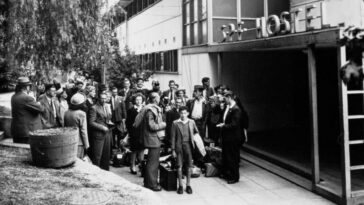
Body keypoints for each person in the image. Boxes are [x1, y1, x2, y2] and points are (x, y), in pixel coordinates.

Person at [136, 92, 166, 191]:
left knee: (151, 162)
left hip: (152, 138)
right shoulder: (150, 110)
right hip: (152, 139)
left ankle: (148, 182)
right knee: (153, 163)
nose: (159, 99)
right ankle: (152, 185)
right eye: (158, 97)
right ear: (155, 99)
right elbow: (152, 126)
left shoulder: (150, 108)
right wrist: (163, 125)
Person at [216, 91, 248, 184]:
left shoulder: (236, 109)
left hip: (233, 138)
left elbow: (234, 124)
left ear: (229, 97)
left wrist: (223, 126)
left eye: (225, 98)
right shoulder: (228, 107)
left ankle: (234, 177)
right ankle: (227, 174)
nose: (224, 100)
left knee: (232, 158)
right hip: (227, 137)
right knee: (226, 156)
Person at [171, 106, 198, 194]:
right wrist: (173, 150)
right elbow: (173, 137)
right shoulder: (175, 123)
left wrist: (196, 142)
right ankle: (180, 186)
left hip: (188, 146)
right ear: (179, 113)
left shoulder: (191, 122)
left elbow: (196, 132)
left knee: (189, 166)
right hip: (179, 147)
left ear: (188, 113)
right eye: (181, 113)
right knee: (179, 166)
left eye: (185, 113)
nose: (183, 115)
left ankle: (188, 185)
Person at [11, 77, 44, 143]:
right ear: (26, 87)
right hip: (27, 132)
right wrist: (38, 103)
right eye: (29, 86)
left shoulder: (14, 96)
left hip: (17, 131)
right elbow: (41, 109)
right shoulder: (27, 98)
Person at [89, 92, 113, 171]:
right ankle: (96, 172)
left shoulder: (107, 106)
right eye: (102, 98)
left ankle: (105, 172)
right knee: (97, 155)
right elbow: (91, 122)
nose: (103, 100)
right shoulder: (94, 108)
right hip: (98, 134)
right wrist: (102, 127)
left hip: (107, 133)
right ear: (98, 98)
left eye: (105, 98)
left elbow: (108, 118)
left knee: (106, 155)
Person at [64, 93, 90, 159]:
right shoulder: (81, 114)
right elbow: (83, 131)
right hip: (79, 142)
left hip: (68, 140)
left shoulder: (66, 112)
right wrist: (86, 145)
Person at [126, 93, 145, 175]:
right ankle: (132, 165)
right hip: (134, 133)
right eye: (137, 100)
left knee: (141, 150)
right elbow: (128, 123)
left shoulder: (144, 110)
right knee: (133, 150)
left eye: (140, 100)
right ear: (134, 101)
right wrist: (130, 133)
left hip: (142, 133)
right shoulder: (131, 110)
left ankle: (142, 166)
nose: (138, 101)